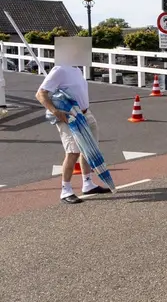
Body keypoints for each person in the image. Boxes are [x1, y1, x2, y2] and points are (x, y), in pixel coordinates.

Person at [35, 65, 111, 204]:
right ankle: (66, 190)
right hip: (69, 116)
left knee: (88, 149)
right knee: (72, 152)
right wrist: (56, 112)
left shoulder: (77, 69)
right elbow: (40, 94)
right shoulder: (60, 69)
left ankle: (87, 183)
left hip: (85, 113)